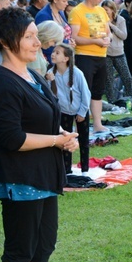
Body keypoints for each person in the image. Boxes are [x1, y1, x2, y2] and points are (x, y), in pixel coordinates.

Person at [0, 7, 78, 262]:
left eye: (37, 36)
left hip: (43, 174)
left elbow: (47, 119)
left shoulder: (33, 76)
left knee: (44, 245)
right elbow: (12, 138)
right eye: (29, 37)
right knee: (20, 251)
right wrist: (56, 141)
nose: (38, 43)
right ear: (5, 42)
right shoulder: (1, 82)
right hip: (20, 177)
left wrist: (63, 135)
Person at [69, 0, 110, 133]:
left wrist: (108, 39)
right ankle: (81, 123)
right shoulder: (77, 11)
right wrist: (95, 41)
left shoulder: (101, 10)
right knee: (83, 91)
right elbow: (75, 37)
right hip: (85, 55)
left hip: (101, 55)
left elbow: (107, 30)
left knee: (98, 91)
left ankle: (97, 123)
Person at [47, 43, 91, 175]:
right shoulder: (50, 73)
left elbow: (86, 93)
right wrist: (50, 81)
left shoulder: (77, 73)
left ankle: (85, 170)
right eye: (53, 52)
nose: (53, 54)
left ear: (66, 58)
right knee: (66, 140)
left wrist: (82, 111)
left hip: (80, 110)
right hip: (63, 111)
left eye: (57, 52)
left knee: (83, 139)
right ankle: (67, 170)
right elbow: (50, 96)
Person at [101, 0, 132, 106]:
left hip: (119, 52)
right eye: (103, 10)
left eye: (107, 10)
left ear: (112, 10)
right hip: (106, 53)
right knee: (108, 80)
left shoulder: (120, 20)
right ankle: (112, 102)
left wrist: (111, 26)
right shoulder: (100, 20)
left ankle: (130, 99)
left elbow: (124, 35)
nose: (105, 12)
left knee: (127, 77)